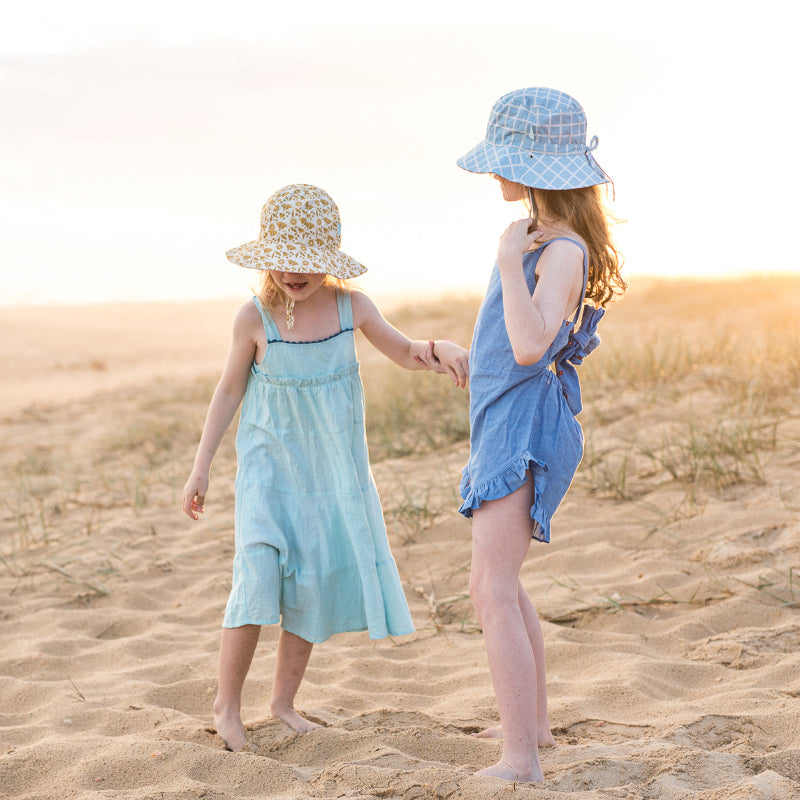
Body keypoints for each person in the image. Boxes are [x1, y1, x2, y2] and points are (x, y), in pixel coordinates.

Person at [181, 183, 467, 752]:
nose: (295, 272)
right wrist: (201, 466)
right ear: (267, 257)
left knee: (308, 585)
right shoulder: (253, 317)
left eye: (308, 259)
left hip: (330, 476)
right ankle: (226, 705)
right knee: (257, 578)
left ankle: (282, 703)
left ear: (329, 258)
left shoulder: (350, 307)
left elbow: (406, 351)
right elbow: (229, 389)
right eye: (284, 259)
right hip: (268, 474)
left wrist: (444, 350)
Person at [455, 88, 627, 782]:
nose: (495, 172)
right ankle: (536, 729)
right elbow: (513, 343)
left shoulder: (557, 250)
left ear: (531, 166)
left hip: (523, 424)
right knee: (500, 582)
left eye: (504, 159)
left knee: (490, 588)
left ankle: (520, 757)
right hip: (506, 415)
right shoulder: (544, 239)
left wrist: (505, 261)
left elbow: (531, 346)